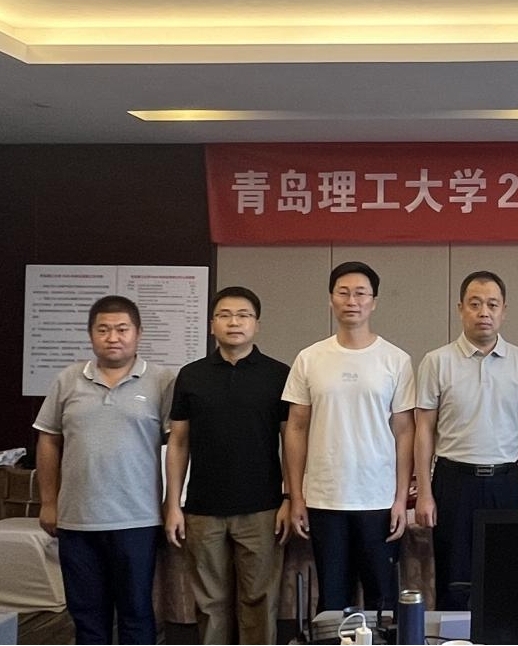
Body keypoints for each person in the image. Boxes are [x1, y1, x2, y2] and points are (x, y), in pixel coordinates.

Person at [33, 295, 176, 644]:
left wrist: (172, 505)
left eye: (122, 329)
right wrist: (48, 502)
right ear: (91, 334)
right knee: (86, 616)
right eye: (104, 330)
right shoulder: (68, 379)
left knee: (136, 613)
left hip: (138, 519)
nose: (113, 337)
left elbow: (178, 447)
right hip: (76, 521)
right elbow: (48, 440)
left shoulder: (162, 381)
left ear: (138, 333)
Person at [283, 261, 416, 613]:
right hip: (325, 498)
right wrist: (296, 497)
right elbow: (295, 428)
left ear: (374, 302)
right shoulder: (309, 358)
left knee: (382, 600)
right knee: (332, 600)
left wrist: (400, 498)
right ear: (331, 299)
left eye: (360, 293)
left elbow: (405, 431)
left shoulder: (396, 360)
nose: (352, 301)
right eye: (343, 293)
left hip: (378, 499)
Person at [164, 286, 292, 644]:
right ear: (212, 325)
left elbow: (292, 442)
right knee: (209, 604)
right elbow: (178, 442)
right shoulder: (191, 375)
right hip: (203, 510)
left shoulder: (278, 374)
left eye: (243, 315)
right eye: (224, 315)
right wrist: (173, 505)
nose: (234, 322)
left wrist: (289, 498)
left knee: (259, 601)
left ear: (257, 324)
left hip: (262, 509)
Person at [414, 270, 518, 610]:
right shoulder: (436, 362)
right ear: (460, 309)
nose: (484, 312)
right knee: (453, 581)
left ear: (504, 311)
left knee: (505, 576)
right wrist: (424, 492)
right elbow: (423, 429)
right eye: (474, 304)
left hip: (505, 482)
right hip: (453, 482)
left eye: (492, 305)